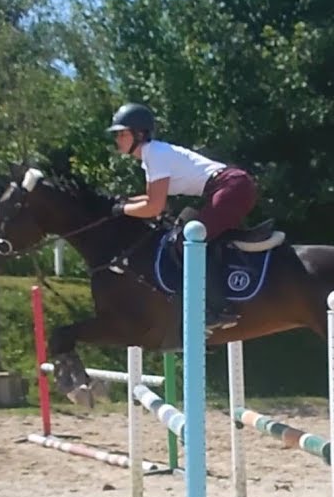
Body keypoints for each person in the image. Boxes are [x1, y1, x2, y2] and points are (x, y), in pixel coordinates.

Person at [106, 102, 256, 330]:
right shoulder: (152, 156)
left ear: (138, 134)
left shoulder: (154, 154)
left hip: (230, 186)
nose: (117, 139)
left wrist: (121, 210)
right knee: (189, 234)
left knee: (188, 241)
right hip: (229, 186)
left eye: (121, 133)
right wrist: (122, 203)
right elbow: (152, 201)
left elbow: (154, 207)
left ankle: (217, 309)